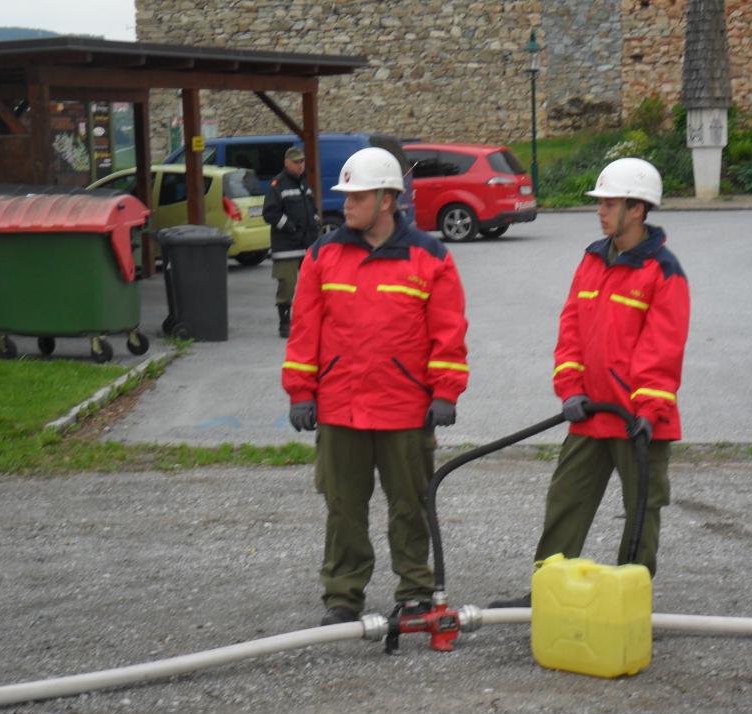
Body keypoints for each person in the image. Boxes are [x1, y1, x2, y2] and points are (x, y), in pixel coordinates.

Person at [490, 157, 690, 608]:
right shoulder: (592, 259)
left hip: (638, 421)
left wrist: (647, 411)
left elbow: (663, 350)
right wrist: (571, 389)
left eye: (609, 203)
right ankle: (546, 595)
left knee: (642, 511)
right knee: (566, 501)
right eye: (600, 203)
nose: (600, 211)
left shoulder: (663, 271)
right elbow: (571, 331)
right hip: (590, 413)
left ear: (637, 209)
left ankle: (630, 602)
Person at [281, 147, 470, 626]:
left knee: (410, 506)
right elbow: (304, 329)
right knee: (343, 507)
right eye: (346, 196)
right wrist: (301, 391)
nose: (346, 205)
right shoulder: (322, 255)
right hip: (340, 407)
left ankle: (416, 593)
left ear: (387, 200)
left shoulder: (430, 258)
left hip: (404, 408)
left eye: (357, 196)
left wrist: (445, 391)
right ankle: (343, 596)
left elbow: (448, 332)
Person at [263, 146, 320, 337]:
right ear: (287, 163)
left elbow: (311, 209)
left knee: (311, 286)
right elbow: (270, 213)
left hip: (306, 245)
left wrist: (315, 223)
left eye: (302, 161)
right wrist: (291, 227)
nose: (300, 165)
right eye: (296, 162)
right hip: (286, 247)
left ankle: (309, 320)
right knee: (286, 286)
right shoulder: (278, 185)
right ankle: (284, 322)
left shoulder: (304, 183)